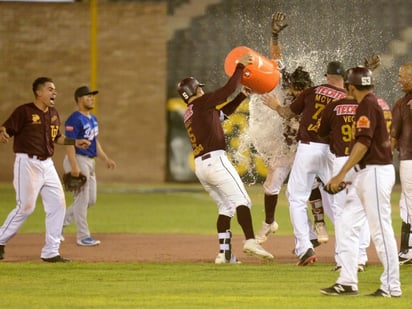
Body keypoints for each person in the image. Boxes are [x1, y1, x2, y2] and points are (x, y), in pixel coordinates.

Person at [177, 53, 274, 264]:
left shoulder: (192, 111)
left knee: (226, 207)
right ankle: (250, 240)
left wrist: (241, 96)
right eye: (198, 87)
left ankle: (224, 254)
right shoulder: (201, 103)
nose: (202, 89)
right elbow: (226, 91)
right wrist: (239, 67)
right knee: (243, 201)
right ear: (194, 90)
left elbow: (222, 115)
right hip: (216, 160)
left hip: (202, 166)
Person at [320, 67, 401, 297]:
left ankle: (391, 286)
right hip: (366, 172)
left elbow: (363, 143)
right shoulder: (378, 102)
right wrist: (351, 176)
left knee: (380, 230)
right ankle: (347, 281)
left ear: (351, 87)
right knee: (346, 223)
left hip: (375, 172)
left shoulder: (366, 104)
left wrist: (340, 174)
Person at [262, 61, 346, 266]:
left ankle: (305, 248)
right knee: (338, 202)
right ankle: (354, 251)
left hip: (307, 148)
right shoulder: (346, 96)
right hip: (331, 151)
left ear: (326, 76)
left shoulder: (313, 91)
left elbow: (287, 113)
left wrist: (276, 106)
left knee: (296, 197)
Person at [255, 12, 328, 246]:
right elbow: (277, 61)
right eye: (294, 90)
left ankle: (319, 224)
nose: (296, 94)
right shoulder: (287, 86)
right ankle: (269, 222)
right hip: (287, 145)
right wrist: (274, 35)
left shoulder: (316, 95)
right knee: (271, 186)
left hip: (307, 144)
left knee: (313, 182)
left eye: (300, 90)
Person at [0, 77, 90, 262]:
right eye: (50, 89)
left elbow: (57, 138)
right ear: (38, 92)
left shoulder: (53, 113)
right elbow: (6, 128)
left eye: (55, 90)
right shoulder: (24, 111)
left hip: (47, 164)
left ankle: (51, 251)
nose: (54, 92)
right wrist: (3, 133)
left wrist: (75, 141)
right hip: (27, 163)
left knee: (58, 204)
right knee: (26, 207)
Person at [62, 86, 117, 246]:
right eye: (88, 96)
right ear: (79, 99)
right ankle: (83, 236)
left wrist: (105, 158)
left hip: (90, 161)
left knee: (90, 200)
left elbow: (94, 141)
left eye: (92, 96)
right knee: (82, 198)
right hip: (78, 159)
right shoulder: (74, 119)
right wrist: (74, 167)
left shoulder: (92, 118)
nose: (92, 98)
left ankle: (58, 225)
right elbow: (69, 143)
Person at [390, 62, 412, 265]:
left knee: (408, 203)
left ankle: (409, 250)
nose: (399, 80)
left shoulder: (402, 104)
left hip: (409, 159)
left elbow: (393, 136)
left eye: (402, 76)